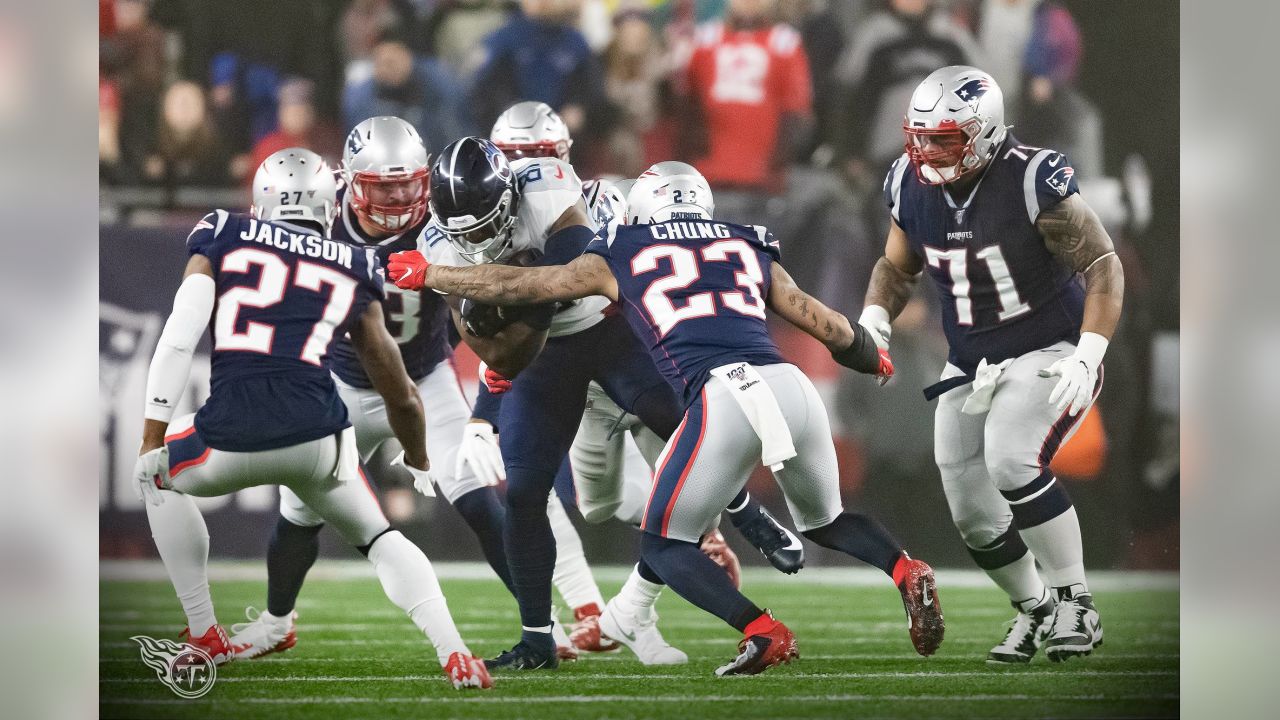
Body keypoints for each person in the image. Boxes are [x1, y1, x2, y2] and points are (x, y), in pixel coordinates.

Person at [387, 162, 946, 675]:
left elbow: (523, 286)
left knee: (662, 544)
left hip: (722, 395)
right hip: (789, 387)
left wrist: (432, 273)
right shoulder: (746, 242)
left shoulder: (623, 246)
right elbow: (823, 323)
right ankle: (904, 568)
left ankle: (762, 630)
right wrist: (874, 357)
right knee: (825, 520)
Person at [132, 148, 491, 689]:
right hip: (321, 437)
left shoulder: (223, 232)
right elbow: (398, 387)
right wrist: (417, 457)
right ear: (330, 207)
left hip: (228, 435)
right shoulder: (350, 260)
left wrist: (151, 437)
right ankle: (456, 653)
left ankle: (205, 632)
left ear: (260, 203)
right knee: (379, 537)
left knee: (154, 476)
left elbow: (178, 340)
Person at [225, 117, 527, 660]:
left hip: (427, 376)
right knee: (299, 514)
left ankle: (539, 623)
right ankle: (276, 621)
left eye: (408, 183)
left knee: (478, 496)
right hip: (341, 379)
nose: (399, 197)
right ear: (350, 181)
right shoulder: (322, 215)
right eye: (383, 187)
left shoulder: (443, 212)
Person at [865, 66, 1123, 662]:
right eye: (919, 137)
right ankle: (1035, 611)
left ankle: (1076, 603)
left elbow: (1103, 264)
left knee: (1011, 458)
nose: (926, 151)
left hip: (1050, 348)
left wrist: (1089, 352)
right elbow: (896, 266)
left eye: (943, 139)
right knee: (971, 510)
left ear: (981, 133)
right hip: (971, 361)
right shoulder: (908, 180)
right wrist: (875, 315)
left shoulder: (1031, 178)